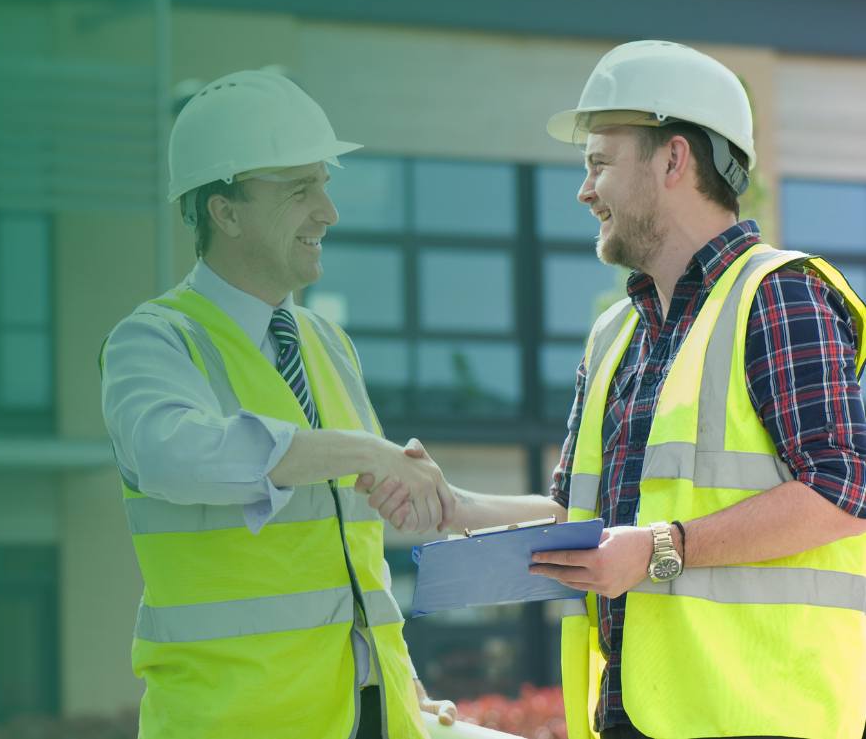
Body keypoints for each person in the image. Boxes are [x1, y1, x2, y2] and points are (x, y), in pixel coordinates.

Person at [361, 40, 866, 739]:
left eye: (599, 162)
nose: (584, 188)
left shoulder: (780, 296)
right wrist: (457, 505)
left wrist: (664, 545)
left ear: (673, 160)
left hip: (765, 719)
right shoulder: (615, 336)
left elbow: (842, 491)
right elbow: (579, 518)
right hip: (634, 717)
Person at [100, 69, 455, 739]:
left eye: (325, 182)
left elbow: (356, 551)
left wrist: (395, 684)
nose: (329, 210)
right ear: (225, 212)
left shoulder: (328, 343)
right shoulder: (153, 341)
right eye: (300, 190)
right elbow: (174, 456)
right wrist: (369, 452)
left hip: (365, 717)